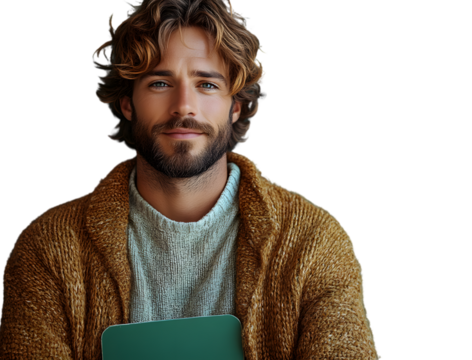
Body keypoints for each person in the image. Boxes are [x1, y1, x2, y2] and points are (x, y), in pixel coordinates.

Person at [0, 0, 380, 359]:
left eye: (207, 84)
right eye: (160, 83)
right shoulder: (48, 250)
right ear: (128, 102)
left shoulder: (314, 243)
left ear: (236, 105)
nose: (184, 105)